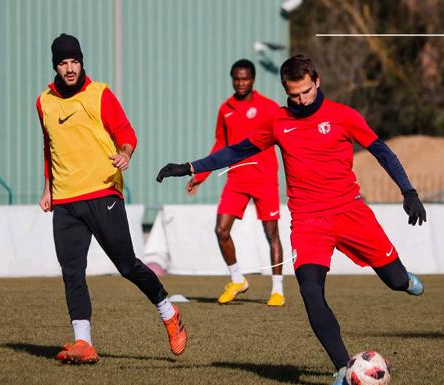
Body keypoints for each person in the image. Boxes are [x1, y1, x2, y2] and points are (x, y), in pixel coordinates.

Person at [156, 55, 426, 385]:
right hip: (308, 221)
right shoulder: (277, 122)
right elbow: (236, 151)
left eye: (306, 92)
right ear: (286, 88)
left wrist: (408, 191)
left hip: (350, 213)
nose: (301, 101)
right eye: (294, 95)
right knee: (311, 291)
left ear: (318, 81)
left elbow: (381, 150)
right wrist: (191, 167)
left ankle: (404, 280)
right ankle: (342, 366)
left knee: (396, 281)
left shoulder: (344, 116)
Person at [37, 34, 186, 364]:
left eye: (74, 61)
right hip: (65, 201)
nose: (70, 68)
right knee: (72, 272)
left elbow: (126, 132)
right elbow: (49, 148)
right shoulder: (43, 102)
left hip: (103, 191)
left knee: (127, 265)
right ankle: (83, 343)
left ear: (81, 61)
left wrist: (125, 152)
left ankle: (168, 311)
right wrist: (48, 187)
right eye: (63, 63)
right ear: (55, 66)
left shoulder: (99, 93)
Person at [186, 59, 285, 306]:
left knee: (271, 233)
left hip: (264, 179)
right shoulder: (225, 109)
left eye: (245, 78)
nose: (241, 83)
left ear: (253, 80)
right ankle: (237, 278)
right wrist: (200, 176)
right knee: (221, 230)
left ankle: (278, 290)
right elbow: (220, 145)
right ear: (232, 79)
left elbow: (283, 139)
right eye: (237, 79)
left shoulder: (270, 107)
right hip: (236, 179)